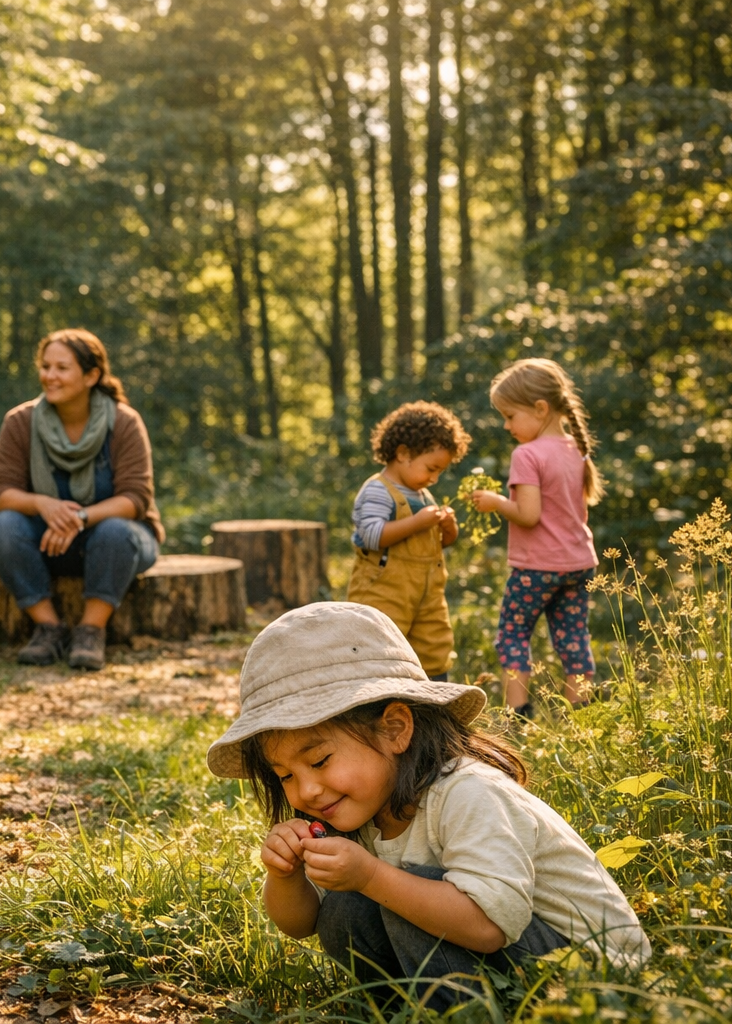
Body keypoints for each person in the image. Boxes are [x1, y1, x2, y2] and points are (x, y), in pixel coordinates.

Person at [207, 603, 650, 1012]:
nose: (304, 791)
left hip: (590, 976)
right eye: (285, 775)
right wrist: (285, 876)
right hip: (508, 963)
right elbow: (303, 924)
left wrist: (371, 875)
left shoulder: (469, 793)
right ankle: (400, 1012)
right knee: (345, 907)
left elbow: (487, 927)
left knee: (406, 897)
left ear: (396, 729)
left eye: (320, 760)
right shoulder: (357, 810)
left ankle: (461, 1017)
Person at [0, 329, 163, 670]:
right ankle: (49, 628)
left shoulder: (124, 423)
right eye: (45, 366)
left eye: (61, 368)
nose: (49, 376)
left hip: (118, 545)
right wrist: (42, 505)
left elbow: (136, 498)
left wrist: (80, 518)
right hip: (49, 544)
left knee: (114, 531)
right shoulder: (20, 422)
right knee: (2, 527)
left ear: (91, 375)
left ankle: (91, 631)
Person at [471, 358, 604, 717]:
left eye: (511, 416)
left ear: (540, 408)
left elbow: (528, 516)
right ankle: (582, 713)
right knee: (573, 637)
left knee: (513, 635)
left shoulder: (527, 454)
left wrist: (496, 502)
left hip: (537, 569)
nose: (506, 424)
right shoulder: (575, 447)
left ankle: (519, 715)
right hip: (578, 564)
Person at [346, 402, 469, 680]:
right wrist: (417, 522)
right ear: (403, 453)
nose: (434, 478)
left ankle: (435, 700)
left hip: (427, 596)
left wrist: (448, 526)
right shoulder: (378, 490)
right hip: (384, 592)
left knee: (434, 650)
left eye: (440, 472)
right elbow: (371, 535)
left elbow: (442, 543)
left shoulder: (422, 494)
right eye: (431, 468)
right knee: (379, 648)